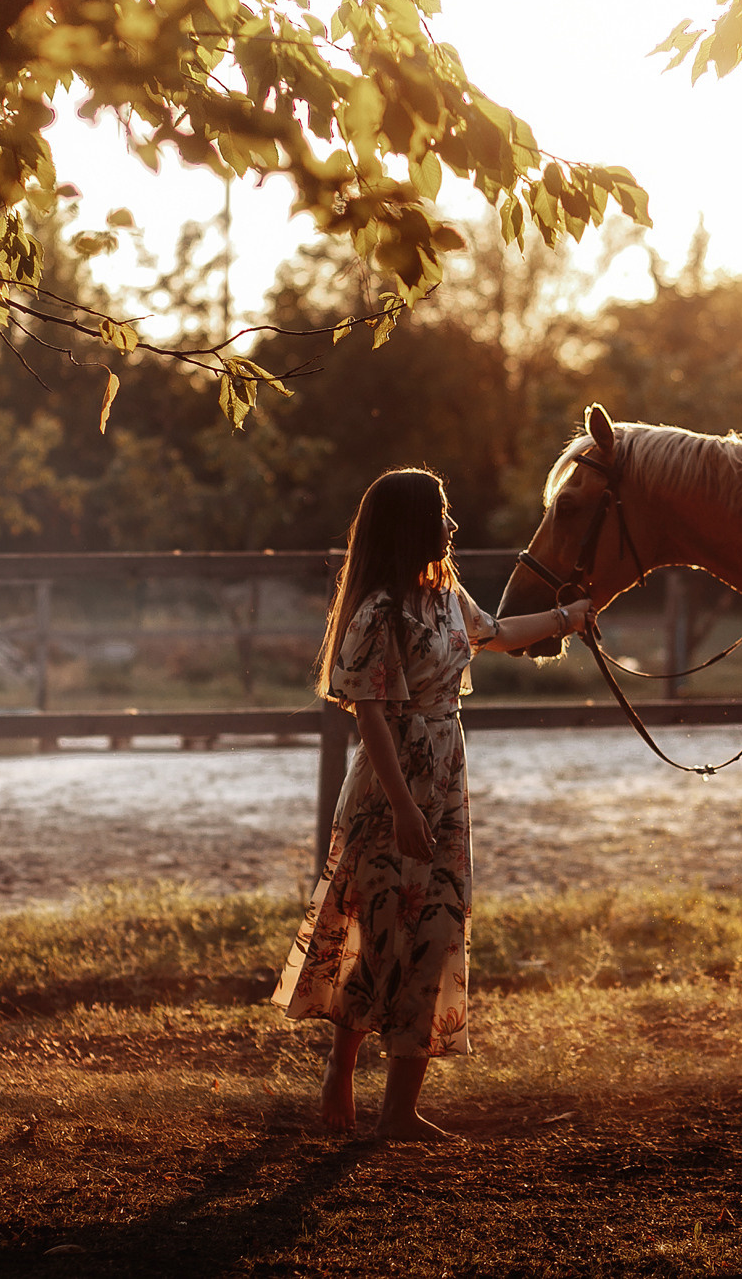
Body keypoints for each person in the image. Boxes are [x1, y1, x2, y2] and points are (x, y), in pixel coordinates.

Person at [272, 467, 589, 1140]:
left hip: (446, 776)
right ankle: (341, 1067)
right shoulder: (379, 611)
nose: (452, 525)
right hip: (394, 787)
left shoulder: (446, 594)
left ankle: (400, 1109)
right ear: (411, 524)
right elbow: (372, 716)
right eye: (441, 514)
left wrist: (571, 617)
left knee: (438, 929)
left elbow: (496, 632)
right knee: (380, 932)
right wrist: (404, 808)